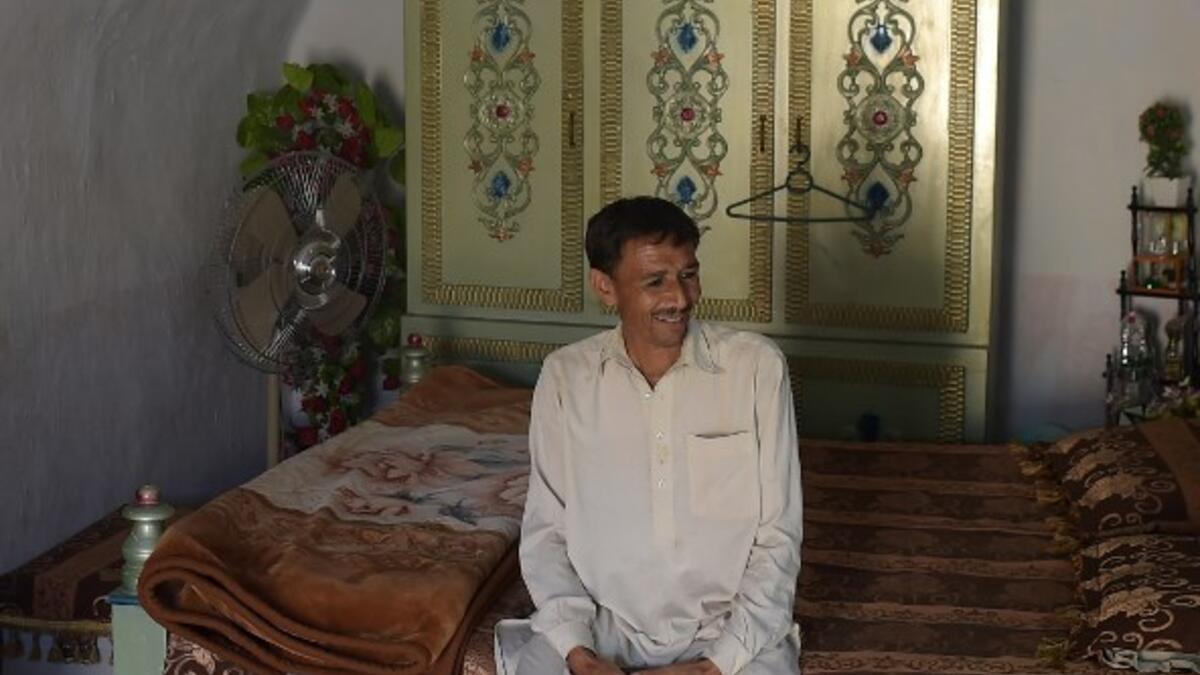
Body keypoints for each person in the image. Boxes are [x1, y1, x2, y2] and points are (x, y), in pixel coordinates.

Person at [507, 196, 802, 675]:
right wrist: (578, 652)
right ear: (605, 287)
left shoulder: (756, 368)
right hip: (604, 627)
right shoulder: (566, 377)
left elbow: (778, 538)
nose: (680, 298)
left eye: (688, 274)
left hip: (729, 631)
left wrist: (716, 664)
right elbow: (546, 533)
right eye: (655, 281)